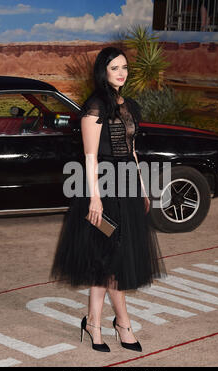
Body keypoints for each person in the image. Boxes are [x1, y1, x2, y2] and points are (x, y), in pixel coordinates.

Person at [50, 46, 167, 353]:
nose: (121, 73)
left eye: (124, 67)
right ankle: (120, 323)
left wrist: (142, 187)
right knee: (110, 252)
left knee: (113, 255)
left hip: (127, 189)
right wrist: (94, 199)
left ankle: (95, 323)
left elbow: (132, 151)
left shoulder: (129, 106)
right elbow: (89, 157)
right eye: (114, 68)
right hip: (101, 190)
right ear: (103, 71)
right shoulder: (95, 106)